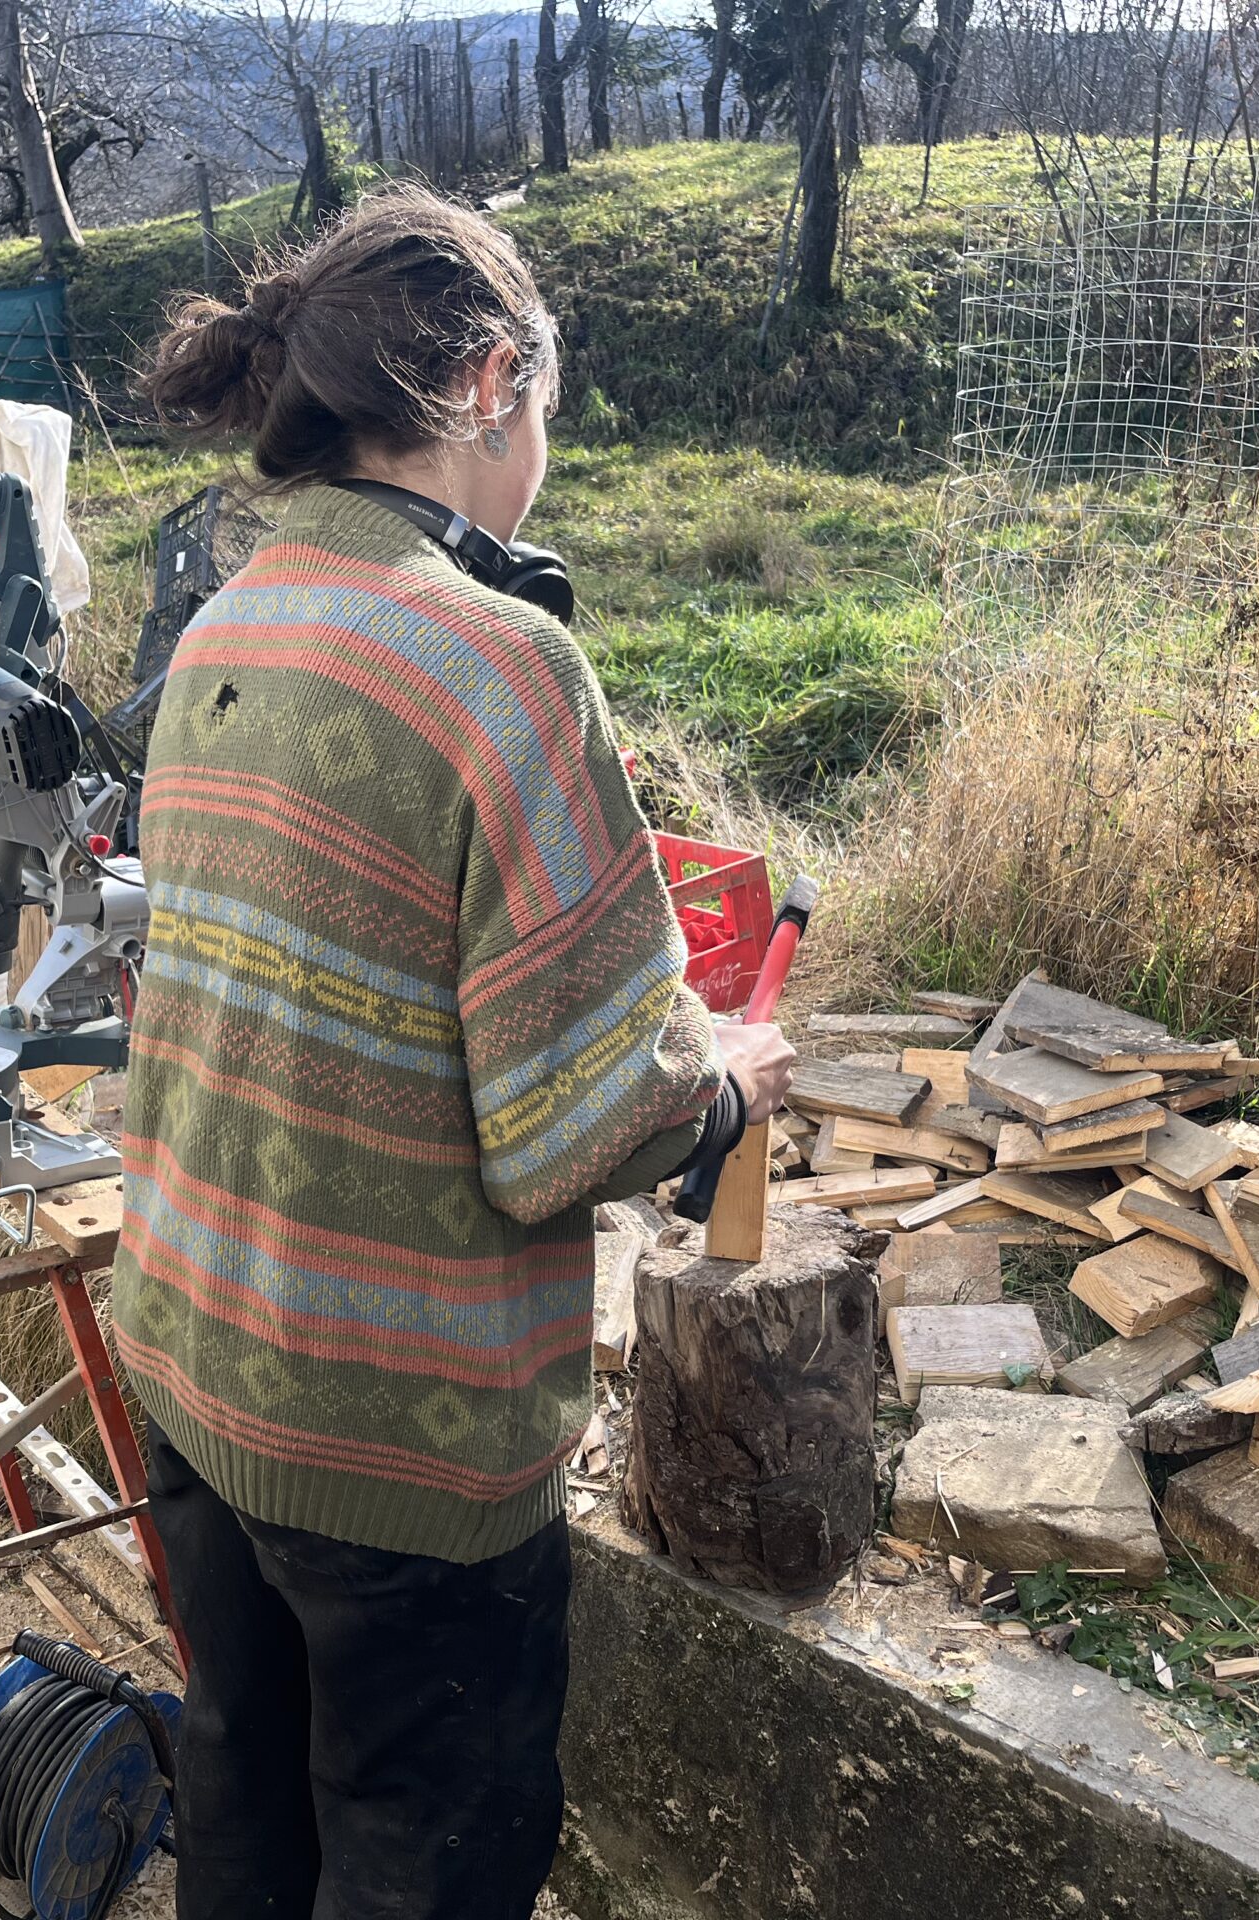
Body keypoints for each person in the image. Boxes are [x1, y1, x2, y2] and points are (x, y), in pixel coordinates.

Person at [111, 182, 796, 1920]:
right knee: (423, 1858)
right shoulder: (504, 667)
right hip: (394, 1444)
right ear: (493, 384)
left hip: (189, 1344)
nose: (542, 445)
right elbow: (574, 1129)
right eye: (544, 406)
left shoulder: (226, 625)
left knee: (244, 1797)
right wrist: (720, 1089)